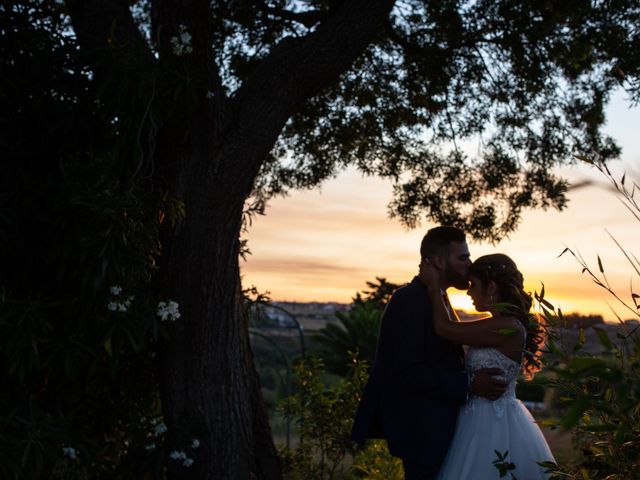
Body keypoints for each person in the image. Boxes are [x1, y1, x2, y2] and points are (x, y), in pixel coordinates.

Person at [351, 226, 508, 480]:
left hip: (442, 431)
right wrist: (469, 384)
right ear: (438, 260)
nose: (469, 265)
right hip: (422, 432)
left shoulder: (439, 298)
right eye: (462, 258)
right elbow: (405, 372)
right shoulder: (409, 300)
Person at [420, 253, 556, 479]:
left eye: (474, 285)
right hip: (478, 417)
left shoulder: (508, 327)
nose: (469, 291)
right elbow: (455, 326)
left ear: (491, 287)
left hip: (492, 424)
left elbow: (446, 329)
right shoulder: (498, 323)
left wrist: (435, 288)